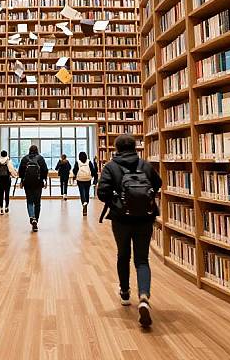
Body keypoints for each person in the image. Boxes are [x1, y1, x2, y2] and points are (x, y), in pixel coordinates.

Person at [97, 134, 162, 328]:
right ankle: (143, 296)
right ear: (135, 147)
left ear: (116, 148)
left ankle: (125, 293)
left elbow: (102, 193)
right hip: (144, 218)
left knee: (123, 255)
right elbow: (157, 184)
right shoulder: (145, 165)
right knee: (142, 259)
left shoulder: (111, 167)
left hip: (121, 219)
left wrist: (117, 202)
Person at [18, 145, 48, 232]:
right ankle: (36, 220)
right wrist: (44, 180)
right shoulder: (40, 158)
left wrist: (21, 181)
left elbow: (21, 171)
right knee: (37, 202)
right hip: (38, 183)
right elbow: (45, 170)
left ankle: (32, 217)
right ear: (37, 150)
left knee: (29, 201)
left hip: (27, 183)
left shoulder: (25, 159)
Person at [0, 150, 18, 215]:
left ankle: (1, 208)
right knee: (7, 193)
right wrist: (15, 175)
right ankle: (6, 207)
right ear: (6, 154)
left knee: (1, 193)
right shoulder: (8, 161)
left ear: (1, 154)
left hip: (0, 179)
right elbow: (11, 169)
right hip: (7, 179)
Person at [72, 152, 98, 216]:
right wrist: (93, 176)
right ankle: (87, 202)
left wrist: (74, 176)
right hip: (88, 179)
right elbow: (93, 170)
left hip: (80, 179)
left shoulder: (77, 162)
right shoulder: (89, 162)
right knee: (87, 192)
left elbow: (74, 170)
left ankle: (84, 202)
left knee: (81, 192)